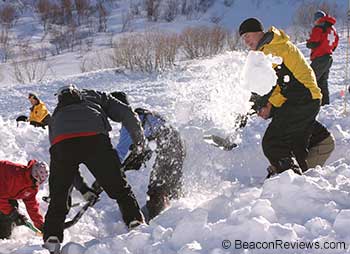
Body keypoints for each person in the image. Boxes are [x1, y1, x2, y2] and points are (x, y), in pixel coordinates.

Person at [42, 84, 146, 251]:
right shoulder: (94, 95)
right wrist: (139, 141)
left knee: (59, 196)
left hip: (62, 143)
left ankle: (51, 239)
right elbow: (126, 112)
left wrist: (83, 189)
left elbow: (65, 165)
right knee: (119, 188)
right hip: (95, 139)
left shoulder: (57, 116)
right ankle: (135, 223)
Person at [239, 18, 322, 174]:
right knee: (294, 147)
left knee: (273, 143)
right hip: (303, 99)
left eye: (247, 35)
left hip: (303, 100)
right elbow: (278, 85)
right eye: (243, 38)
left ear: (258, 32)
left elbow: (265, 86)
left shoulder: (271, 49)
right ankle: (295, 182)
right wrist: (270, 106)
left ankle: (289, 181)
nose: (246, 41)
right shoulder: (272, 45)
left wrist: (248, 109)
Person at [111, 91, 186, 222]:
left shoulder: (129, 123)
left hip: (170, 149)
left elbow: (120, 154)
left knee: (156, 188)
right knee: (171, 185)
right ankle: (181, 214)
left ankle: (152, 222)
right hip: (176, 146)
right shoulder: (139, 114)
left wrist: (105, 172)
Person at [266, 120, 335, 178]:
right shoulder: (277, 125)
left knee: (305, 176)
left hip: (322, 143)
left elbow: (299, 153)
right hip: (307, 143)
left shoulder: (288, 122)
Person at [0, 160, 48, 239]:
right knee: (7, 214)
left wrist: (40, 225)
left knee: (12, 208)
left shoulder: (32, 186)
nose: (38, 184)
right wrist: (12, 213)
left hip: (4, 194)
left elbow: (31, 204)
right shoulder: (16, 176)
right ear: (34, 175)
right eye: (37, 180)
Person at [306, 10, 339, 106]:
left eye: (315, 20)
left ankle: (309, 104)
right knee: (322, 82)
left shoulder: (319, 27)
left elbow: (313, 43)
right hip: (328, 58)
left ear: (318, 19)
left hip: (319, 58)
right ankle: (325, 104)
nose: (314, 22)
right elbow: (335, 45)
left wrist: (309, 42)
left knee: (310, 80)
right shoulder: (333, 30)